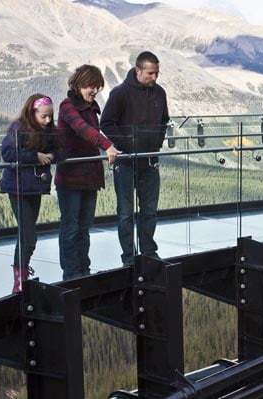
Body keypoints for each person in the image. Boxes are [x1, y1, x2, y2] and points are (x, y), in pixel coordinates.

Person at [101, 51, 169, 267]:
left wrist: (156, 143)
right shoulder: (120, 93)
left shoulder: (160, 93)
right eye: (150, 73)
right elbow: (106, 123)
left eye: (157, 73)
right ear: (138, 70)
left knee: (150, 211)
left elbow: (164, 121)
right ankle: (129, 257)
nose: (154, 77)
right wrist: (126, 144)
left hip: (150, 160)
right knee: (126, 213)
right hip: (126, 162)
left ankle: (149, 252)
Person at [56, 65, 120, 280]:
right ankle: (72, 273)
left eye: (97, 87)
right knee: (71, 227)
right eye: (90, 86)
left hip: (89, 176)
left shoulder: (91, 106)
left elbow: (90, 131)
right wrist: (107, 145)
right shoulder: (67, 107)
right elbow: (83, 129)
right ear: (79, 83)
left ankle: (83, 269)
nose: (94, 91)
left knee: (84, 228)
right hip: (71, 176)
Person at [0, 94, 56, 293]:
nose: (48, 121)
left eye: (50, 116)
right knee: (28, 235)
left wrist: (52, 156)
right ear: (32, 113)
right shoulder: (18, 128)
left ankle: (21, 275)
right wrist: (35, 156)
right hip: (18, 188)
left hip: (35, 188)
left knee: (27, 234)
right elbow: (7, 153)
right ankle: (20, 278)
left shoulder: (48, 130)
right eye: (44, 117)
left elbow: (59, 149)